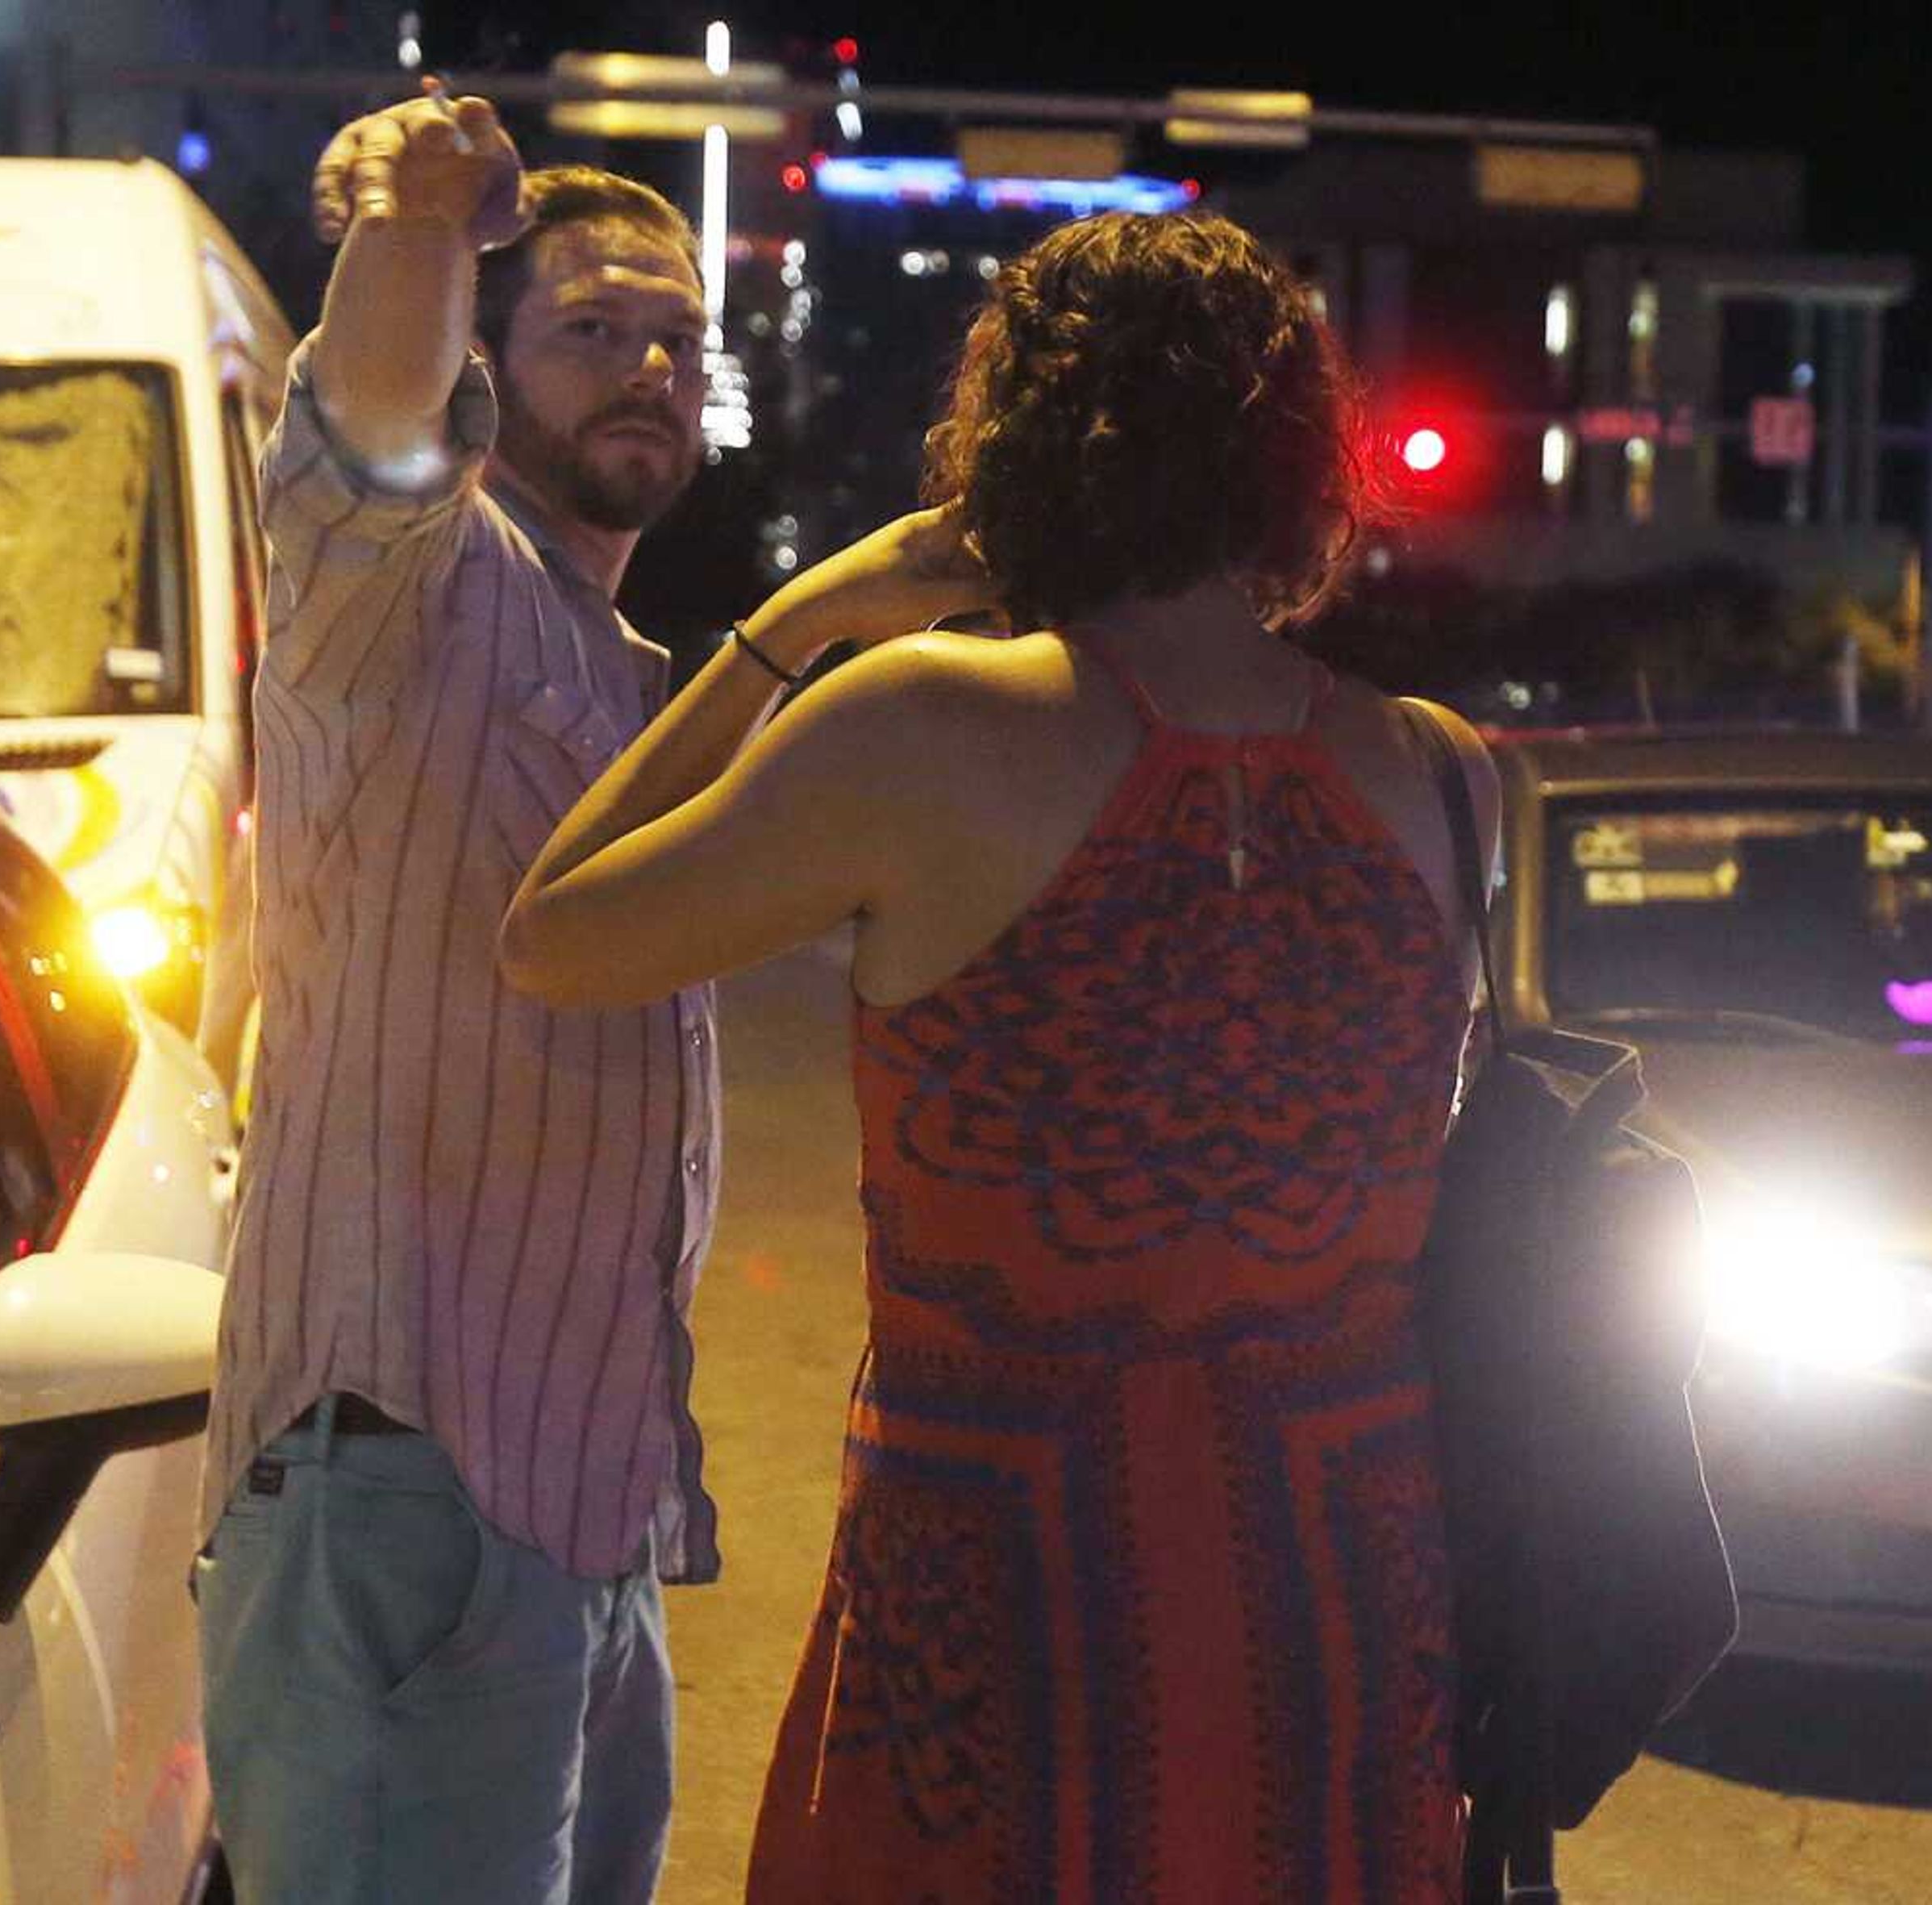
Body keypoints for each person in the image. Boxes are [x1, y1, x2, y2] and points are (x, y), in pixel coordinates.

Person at [498, 209, 1501, 1902]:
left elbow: (555, 928)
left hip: (1009, 1588)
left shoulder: (919, 726)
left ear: (1016, 449)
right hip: (1347, 1588)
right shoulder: (1445, 769)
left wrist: (803, 620)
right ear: (1290, 461)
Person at [197, 85, 739, 1903]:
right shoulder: (406, 582)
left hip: (585, 1513)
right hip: (404, 1483)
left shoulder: (625, 664)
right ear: (491, 370)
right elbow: (371, 418)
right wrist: (427, 211)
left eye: (681, 339)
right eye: (592, 330)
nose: (650, 367)